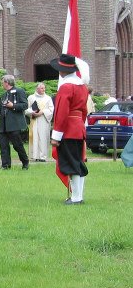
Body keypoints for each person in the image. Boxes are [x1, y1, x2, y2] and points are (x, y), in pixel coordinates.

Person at [50, 54, 89, 205]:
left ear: (63, 71)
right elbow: (84, 111)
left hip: (68, 130)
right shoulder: (82, 86)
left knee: (71, 164)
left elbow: (61, 112)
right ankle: (78, 196)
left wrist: (56, 136)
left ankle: (76, 197)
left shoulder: (66, 87)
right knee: (78, 162)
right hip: (78, 128)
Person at [0, 75, 29, 170]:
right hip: (3, 124)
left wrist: (13, 105)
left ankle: (25, 162)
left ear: (7, 82)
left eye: (2, 82)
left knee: (17, 145)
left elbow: (25, 105)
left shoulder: (19, 91)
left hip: (14, 124)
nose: (2, 84)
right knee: (3, 146)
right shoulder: (4, 94)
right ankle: (5, 165)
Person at [25, 82, 54, 162]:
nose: (43, 89)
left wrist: (42, 112)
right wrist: (32, 112)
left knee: (43, 138)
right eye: (41, 88)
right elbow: (27, 109)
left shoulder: (48, 98)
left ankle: (42, 156)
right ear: (37, 89)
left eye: (44, 88)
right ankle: (35, 155)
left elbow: (51, 109)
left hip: (43, 120)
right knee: (34, 137)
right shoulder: (31, 97)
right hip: (34, 120)